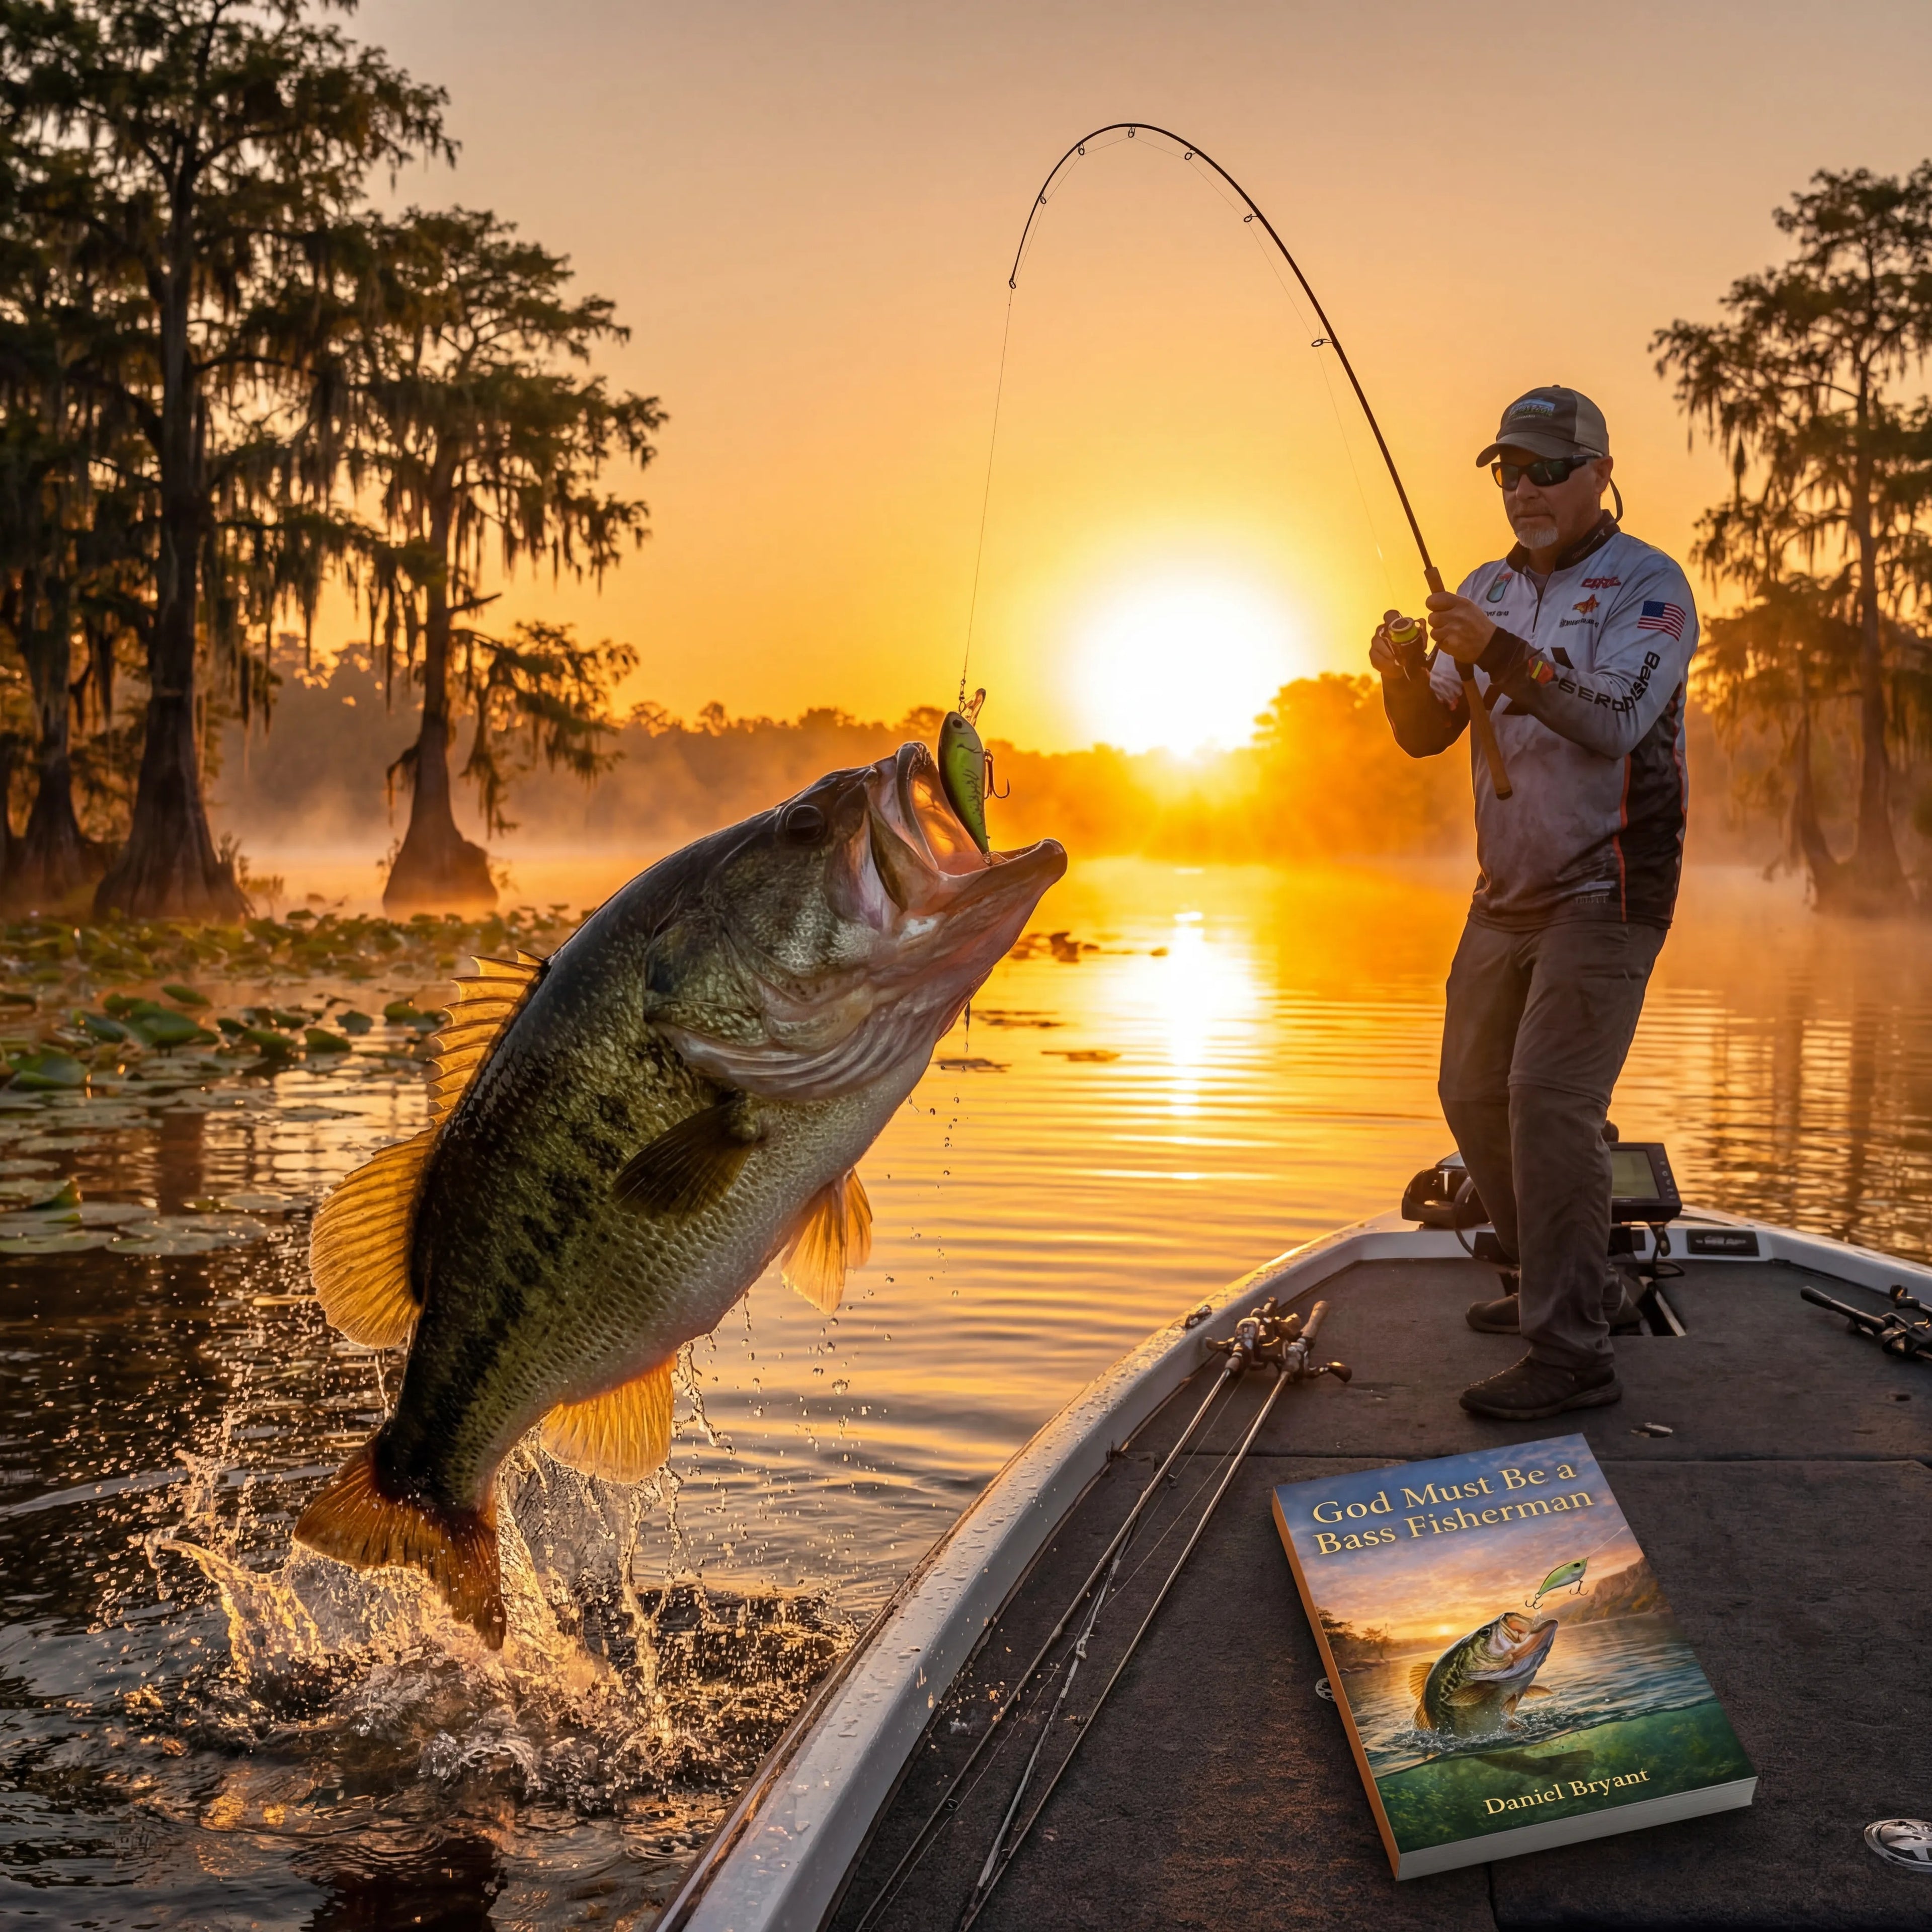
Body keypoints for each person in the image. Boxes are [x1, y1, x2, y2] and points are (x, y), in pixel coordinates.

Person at [1370, 385, 1698, 1421]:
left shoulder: (1652, 588)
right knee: (1472, 1094)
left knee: (1549, 1102)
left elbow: (1615, 720)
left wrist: (1499, 655)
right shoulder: (1481, 587)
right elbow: (1428, 732)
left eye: (1546, 469)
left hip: (1607, 888)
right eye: (1508, 471)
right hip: (1503, 893)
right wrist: (1398, 674)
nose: (1523, 489)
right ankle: (1552, 1280)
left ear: (1600, 471)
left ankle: (1572, 1353)